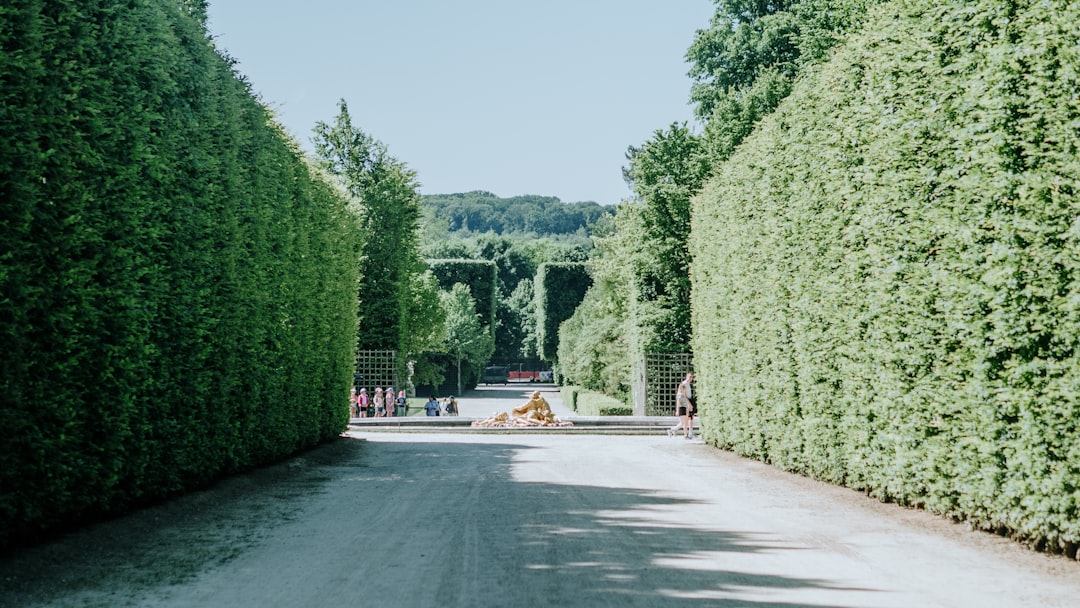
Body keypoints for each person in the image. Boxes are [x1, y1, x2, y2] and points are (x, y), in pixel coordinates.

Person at [669, 372, 695, 439]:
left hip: (685, 406)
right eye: (690, 377)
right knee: (684, 423)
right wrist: (677, 411)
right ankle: (684, 434)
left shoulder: (687, 385)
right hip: (682, 407)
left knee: (684, 422)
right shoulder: (683, 386)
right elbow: (679, 401)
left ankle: (673, 430)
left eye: (692, 377)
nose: (691, 378)